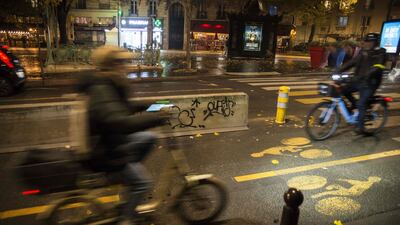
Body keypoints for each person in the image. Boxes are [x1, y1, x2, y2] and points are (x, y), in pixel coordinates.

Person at [77, 46, 167, 225]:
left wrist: (156, 105)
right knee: (144, 183)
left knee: (149, 138)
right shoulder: (101, 89)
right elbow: (119, 122)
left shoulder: (109, 83)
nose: (127, 65)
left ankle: (127, 181)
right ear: (112, 64)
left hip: (110, 141)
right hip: (105, 151)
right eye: (123, 61)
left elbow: (125, 108)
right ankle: (126, 218)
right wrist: (155, 119)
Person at [337, 33, 386, 134]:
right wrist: (339, 70)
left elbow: (378, 66)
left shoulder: (381, 52)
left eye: (369, 41)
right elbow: (353, 62)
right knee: (342, 90)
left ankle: (361, 127)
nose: (366, 43)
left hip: (370, 83)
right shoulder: (363, 52)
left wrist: (368, 74)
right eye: (366, 41)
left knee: (362, 103)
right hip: (359, 80)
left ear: (375, 42)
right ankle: (354, 105)